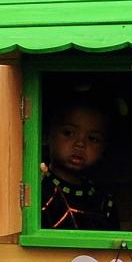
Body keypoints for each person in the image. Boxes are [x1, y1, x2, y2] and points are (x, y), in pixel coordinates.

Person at [40, 93, 121, 231]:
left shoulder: (103, 201)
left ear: (103, 148)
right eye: (68, 133)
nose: (80, 144)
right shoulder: (37, 190)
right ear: (46, 135)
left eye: (92, 138)